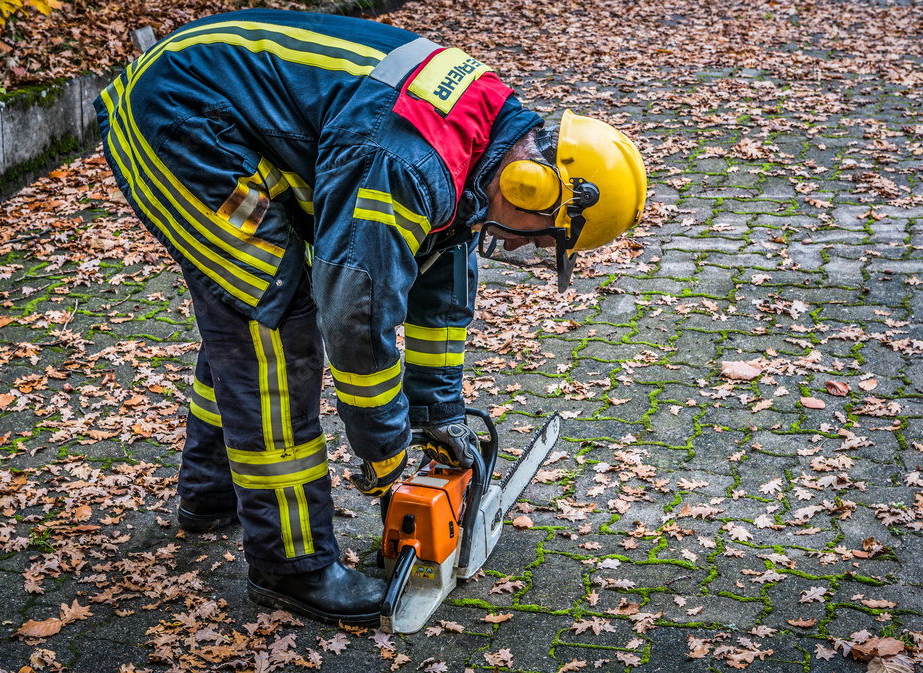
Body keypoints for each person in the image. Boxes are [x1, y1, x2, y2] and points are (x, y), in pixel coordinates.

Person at [94, 8, 646, 626]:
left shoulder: (483, 135)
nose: (525, 249)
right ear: (532, 188)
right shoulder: (408, 163)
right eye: (543, 239)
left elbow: (438, 286)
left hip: (229, 111)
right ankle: (291, 567)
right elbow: (358, 322)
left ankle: (209, 491)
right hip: (183, 125)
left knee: (245, 314)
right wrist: (384, 454)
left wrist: (439, 415)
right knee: (272, 328)